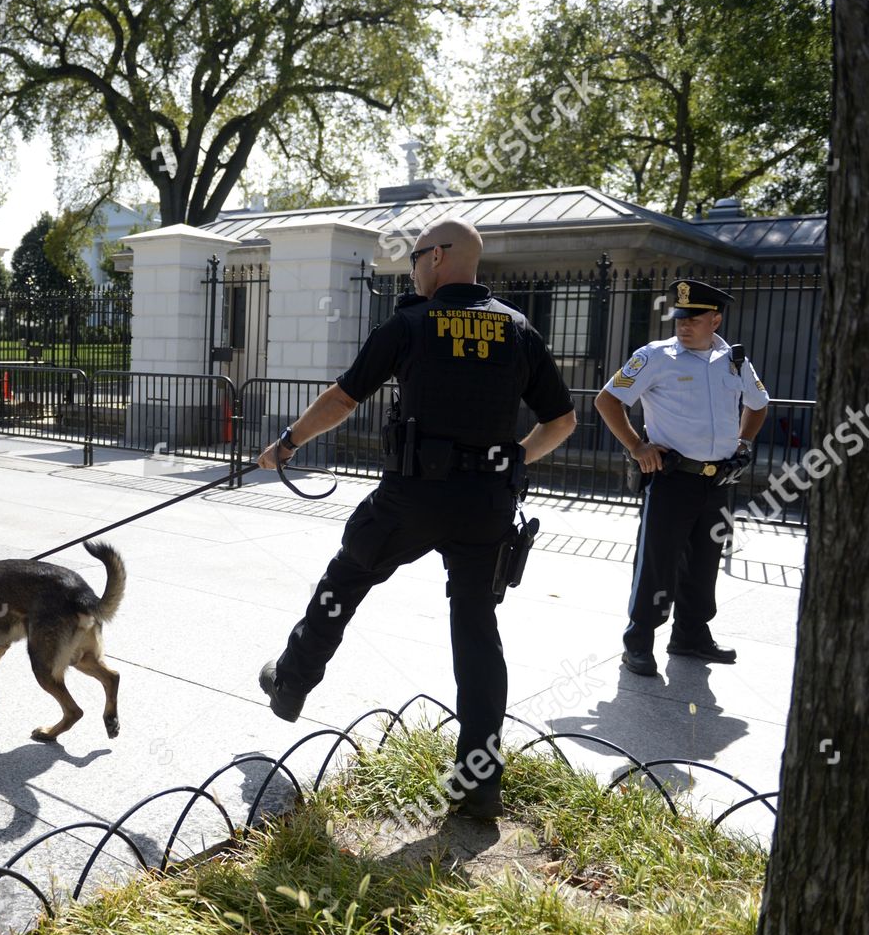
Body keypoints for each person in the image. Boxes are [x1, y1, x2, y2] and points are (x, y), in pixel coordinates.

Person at [256, 218, 577, 820]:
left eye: (414, 259)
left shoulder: (409, 323)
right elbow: (562, 422)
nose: (411, 270)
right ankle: (479, 778)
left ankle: (292, 683)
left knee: (344, 582)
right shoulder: (520, 329)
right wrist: (511, 460)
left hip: (412, 498)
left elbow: (344, 398)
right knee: (477, 631)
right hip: (486, 506)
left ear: (437, 258)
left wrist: (288, 442)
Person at [594, 279, 769, 677]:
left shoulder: (735, 361)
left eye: (694, 318)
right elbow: (607, 400)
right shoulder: (655, 357)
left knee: (706, 561)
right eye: (680, 317)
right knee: (658, 562)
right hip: (672, 479)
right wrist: (638, 447)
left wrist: (743, 441)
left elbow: (759, 404)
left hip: (718, 481)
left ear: (716, 320)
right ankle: (638, 641)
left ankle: (691, 635)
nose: (684, 324)